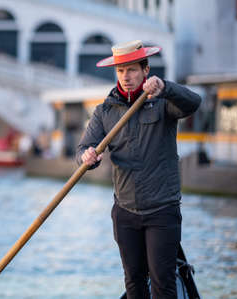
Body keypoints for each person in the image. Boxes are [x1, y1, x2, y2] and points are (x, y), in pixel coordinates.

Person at [76, 40, 201, 298]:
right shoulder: (104, 111)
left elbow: (193, 103)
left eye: (131, 70)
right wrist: (86, 156)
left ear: (145, 70)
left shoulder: (163, 103)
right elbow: (83, 148)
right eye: (121, 71)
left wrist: (165, 88)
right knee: (133, 282)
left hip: (162, 210)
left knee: (163, 283)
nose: (126, 77)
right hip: (125, 212)